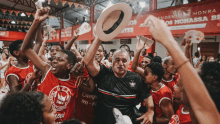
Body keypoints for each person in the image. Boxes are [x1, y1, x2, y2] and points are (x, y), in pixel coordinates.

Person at [145, 15, 219, 123]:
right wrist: (187, 50)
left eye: (184, 84)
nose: (176, 86)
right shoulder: (182, 108)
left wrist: (169, 41)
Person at [21, 7, 79, 123]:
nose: (54, 61)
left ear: (69, 66)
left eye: (59, 60)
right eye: (54, 59)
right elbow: (26, 49)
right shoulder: (47, 70)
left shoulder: (76, 79)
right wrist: (36, 22)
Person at [84, 37, 154, 124]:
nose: (120, 64)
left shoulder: (135, 78)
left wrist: (150, 111)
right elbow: (87, 62)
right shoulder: (103, 73)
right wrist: (99, 37)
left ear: (128, 63)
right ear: (112, 62)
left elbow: (147, 96)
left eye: (124, 61)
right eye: (117, 60)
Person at [132, 40, 174, 123]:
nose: (143, 76)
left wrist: (147, 118)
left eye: (146, 74)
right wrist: (138, 50)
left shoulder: (164, 94)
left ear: (154, 77)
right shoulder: (149, 83)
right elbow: (135, 67)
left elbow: (169, 119)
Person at [6, 26, 42, 93]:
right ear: (16, 53)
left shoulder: (31, 62)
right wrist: (31, 79)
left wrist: (39, 25)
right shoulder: (12, 72)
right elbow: (16, 96)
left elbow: (38, 43)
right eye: (25, 48)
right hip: (24, 103)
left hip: (35, 100)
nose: (29, 50)